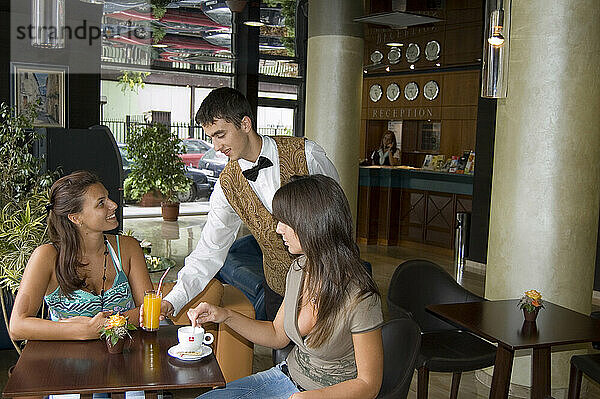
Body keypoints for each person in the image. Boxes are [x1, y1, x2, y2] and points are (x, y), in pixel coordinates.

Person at [188, 175, 384, 399]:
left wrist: (311, 397)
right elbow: (277, 334)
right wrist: (224, 315)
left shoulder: (360, 297)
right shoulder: (300, 269)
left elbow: (369, 384)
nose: (279, 229)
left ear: (311, 224)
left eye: (286, 221)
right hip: (286, 377)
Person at [155, 87, 339, 322]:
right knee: (283, 356)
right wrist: (174, 299)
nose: (216, 146)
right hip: (279, 289)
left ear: (245, 124)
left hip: (326, 284)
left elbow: (338, 217)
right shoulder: (227, 185)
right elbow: (210, 249)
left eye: (220, 135)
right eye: (211, 137)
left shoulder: (307, 155)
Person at [9, 170, 153, 341]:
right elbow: (17, 326)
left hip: (122, 354)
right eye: (101, 203)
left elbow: (150, 309)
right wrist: (85, 331)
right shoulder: (47, 256)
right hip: (63, 361)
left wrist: (104, 326)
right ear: (76, 218)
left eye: (108, 198)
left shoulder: (128, 248)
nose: (113, 205)